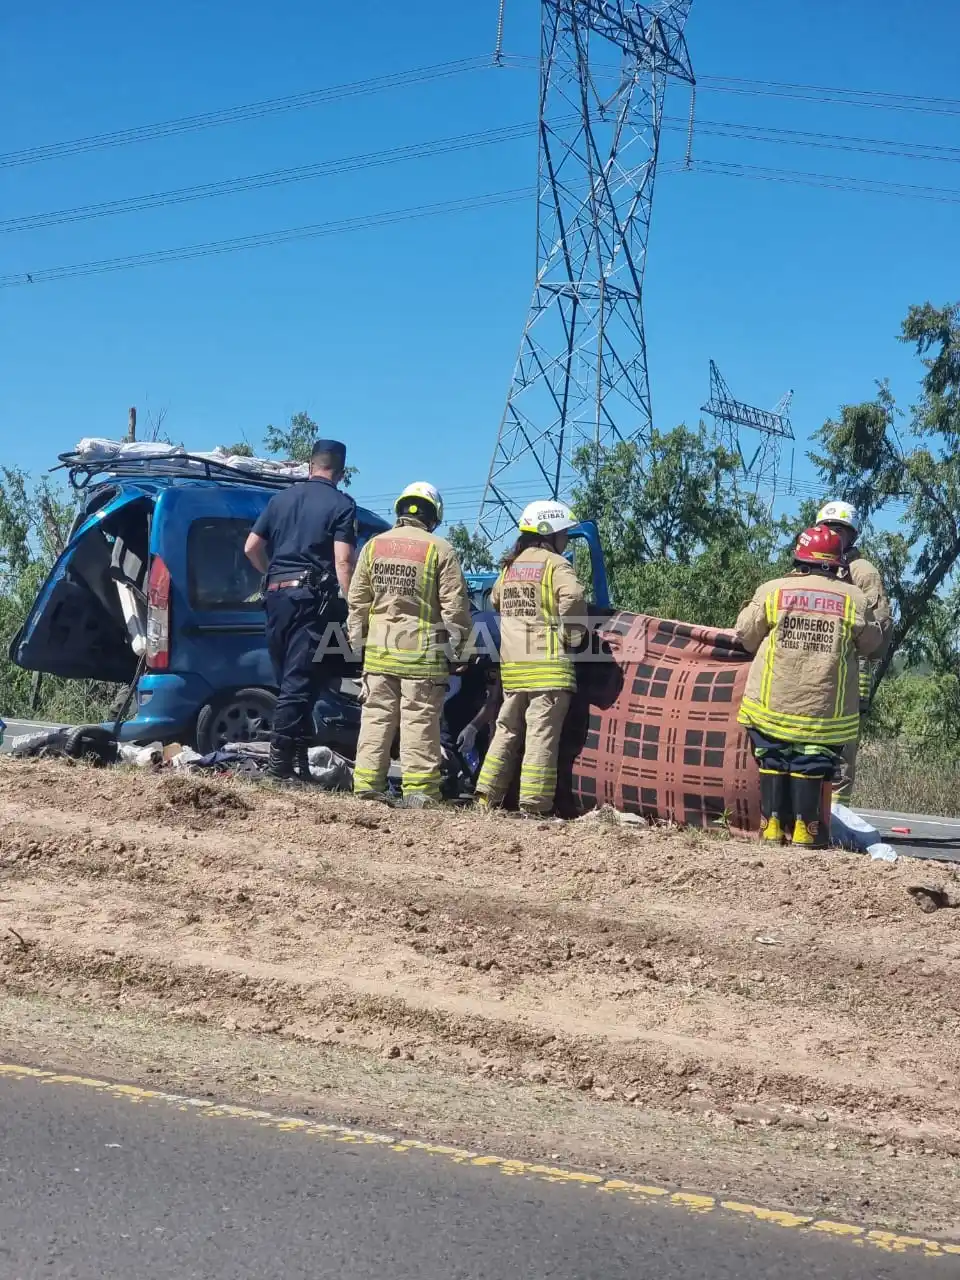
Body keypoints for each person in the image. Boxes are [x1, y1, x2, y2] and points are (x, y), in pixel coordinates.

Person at [735, 525, 885, 847]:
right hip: (823, 714)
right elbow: (873, 643)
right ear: (837, 562)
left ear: (799, 557)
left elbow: (745, 636)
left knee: (771, 755)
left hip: (770, 706)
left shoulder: (773, 590)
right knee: (812, 759)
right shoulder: (854, 599)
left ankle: (772, 826)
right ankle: (806, 830)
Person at [347, 481, 471, 804]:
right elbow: (455, 609)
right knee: (419, 722)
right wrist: (461, 651)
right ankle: (419, 793)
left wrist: (357, 644)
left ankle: (366, 787)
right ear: (433, 517)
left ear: (400, 510)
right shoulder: (440, 550)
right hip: (422, 658)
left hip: (379, 654)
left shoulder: (374, 547)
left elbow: (357, 602)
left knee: (376, 719)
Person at [244, 439, 356, 781]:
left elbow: (251, 548)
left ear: (311, 465)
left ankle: (299, 765)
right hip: (311, 602)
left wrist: (272, 576)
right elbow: (343, 561)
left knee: (294, 683)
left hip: (276, 597)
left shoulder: (280, 499)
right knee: (299, 684)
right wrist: (353, 607)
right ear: (339, 471)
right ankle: (279, 769)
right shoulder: (341, 504)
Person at [474, 500, 586, 817]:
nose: (565, 539)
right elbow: (574, 598)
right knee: (541, 735)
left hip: (514, 667)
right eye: (564, 532)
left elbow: (495, 600)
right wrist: (572, 635)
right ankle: (534, 807)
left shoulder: (511, 567)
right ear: (550, 533)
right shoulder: (556, 564)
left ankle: (485, 796)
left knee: (506, 730)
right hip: (548, 669)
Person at [815, 500, 893, 801]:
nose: (833, 535)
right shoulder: (815, 566)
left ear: (852, 535)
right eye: (827, 529)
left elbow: (879, 628)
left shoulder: (863, 572)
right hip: (819, 665)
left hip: (851, 670)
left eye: (840, 530)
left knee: (842, 749)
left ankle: (838, 815)